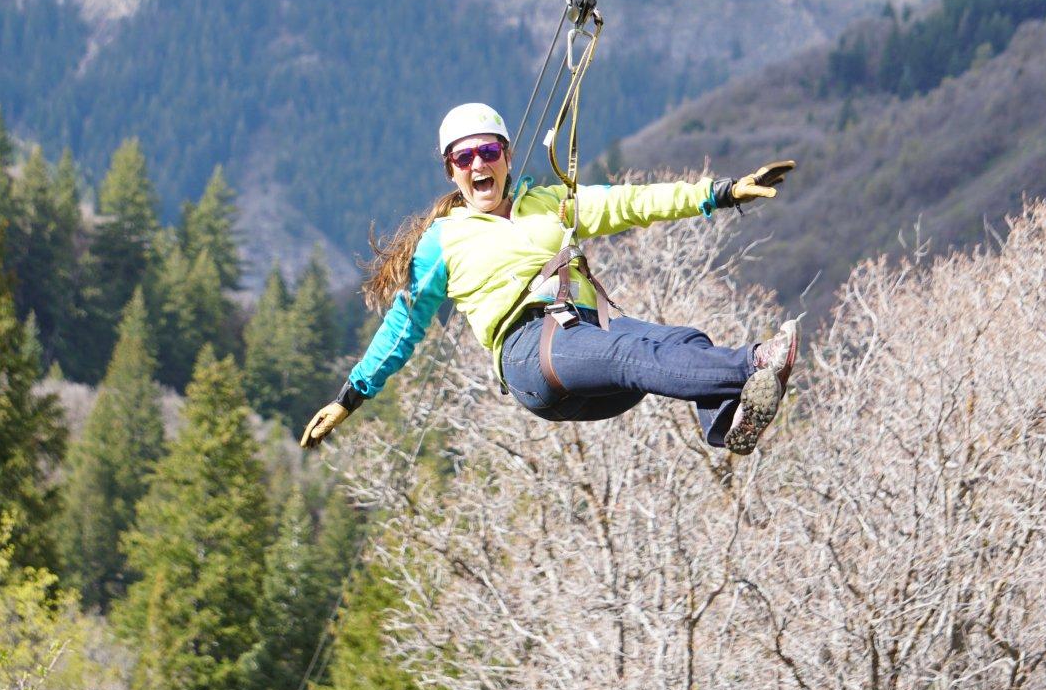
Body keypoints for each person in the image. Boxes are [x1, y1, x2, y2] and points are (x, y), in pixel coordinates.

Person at [300, 102, 800, 456]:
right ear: (450, 170)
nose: (479, 164)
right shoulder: (443, 240)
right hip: (529, 354)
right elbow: (403, 327)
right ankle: (755, 364)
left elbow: (632, 203)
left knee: (680, 340)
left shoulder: (551, 204)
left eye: (488, 152)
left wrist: (722, 192)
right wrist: (351, 396)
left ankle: (727, 421)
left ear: (507, 157)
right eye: (464, 157)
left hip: (587, 340)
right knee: (634, 353)